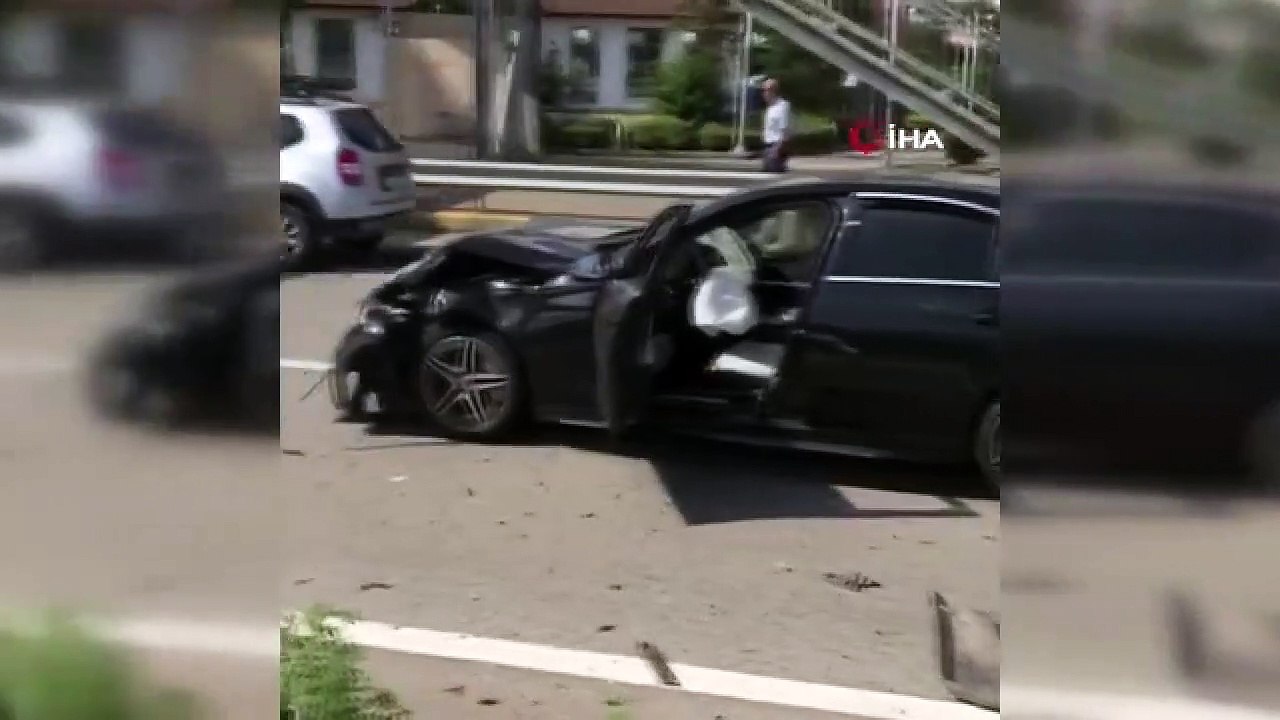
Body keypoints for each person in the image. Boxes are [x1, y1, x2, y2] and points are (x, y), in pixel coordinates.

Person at [760, 78, 791, 173]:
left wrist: (777, 150)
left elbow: (785, 131)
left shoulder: (782, 106)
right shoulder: (770, 107)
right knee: (767, 176)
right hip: (768, 147)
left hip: (776, 147)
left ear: (773, 91)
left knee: (775, 175)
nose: (763, 93)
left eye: (765, 90)